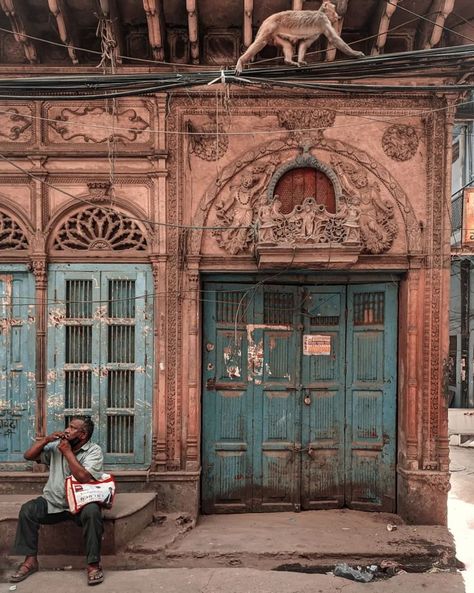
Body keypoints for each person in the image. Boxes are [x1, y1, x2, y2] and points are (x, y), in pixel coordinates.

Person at [10, 416, 105, 586]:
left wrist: (67, 452)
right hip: (52, 503)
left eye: (72, 427)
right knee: (28, 510)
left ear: (82, 435)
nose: (67, 430)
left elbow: (83, 477)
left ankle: (93, 565)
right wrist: (45, 440)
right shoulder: (56, 446)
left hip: (80, 505)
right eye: (67, 426)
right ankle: (30, 561)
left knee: (93, 512)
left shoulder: (94, 451)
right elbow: (28, 456)